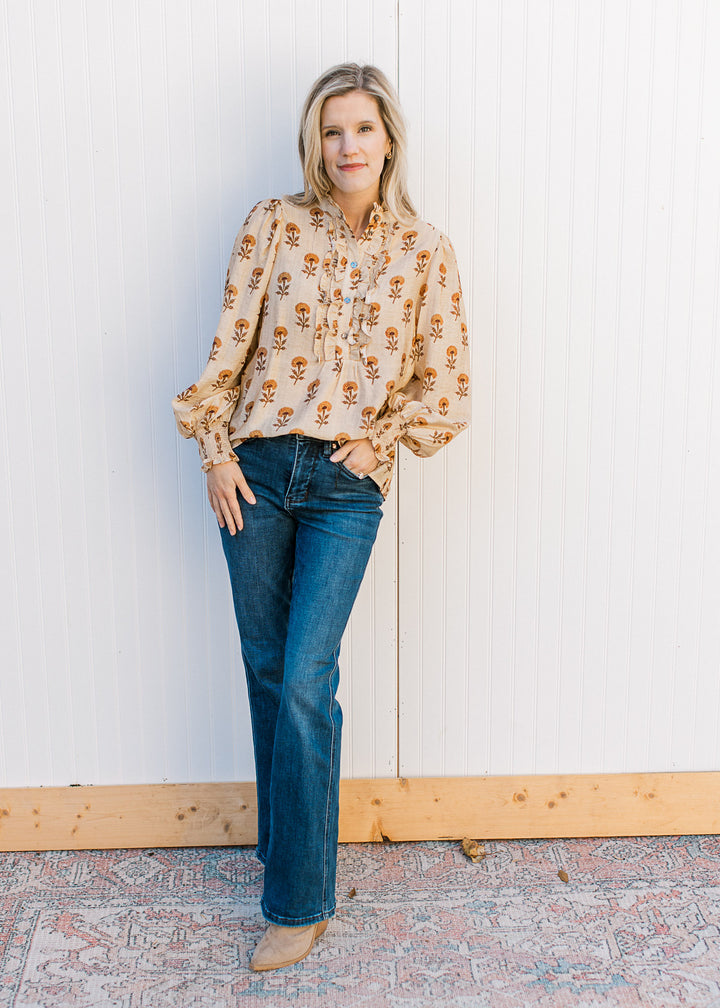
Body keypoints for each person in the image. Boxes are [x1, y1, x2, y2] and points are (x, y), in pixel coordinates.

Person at [172, 62, 470, 971]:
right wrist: (215, 451)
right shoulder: (273, 224)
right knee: (269, 673)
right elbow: (228, 345)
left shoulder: (424, 251)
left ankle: (299, 902)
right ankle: (291, 848)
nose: (347, 147)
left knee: (307, 677)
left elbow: (446, 388)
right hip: (257, 470)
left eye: (363, 131)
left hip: (345, 487)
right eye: (332, 131)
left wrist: (382, 443)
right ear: (316, 141)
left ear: (389, 142)